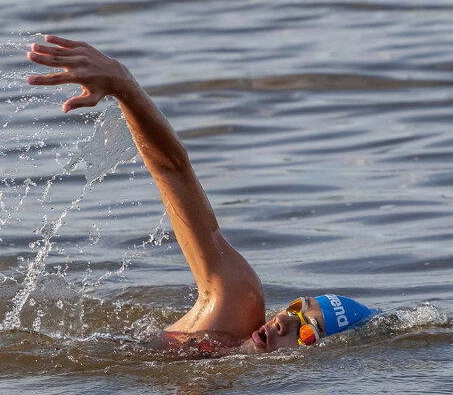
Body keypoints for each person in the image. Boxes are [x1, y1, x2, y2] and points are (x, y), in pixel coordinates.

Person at [27, 35, 380, 355]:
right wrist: (124, 85)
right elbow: (173, 168)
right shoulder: (235, 304)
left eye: (308, 330)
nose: (283, 322)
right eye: (297, 308)